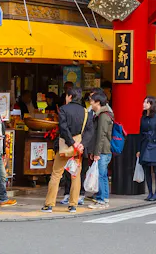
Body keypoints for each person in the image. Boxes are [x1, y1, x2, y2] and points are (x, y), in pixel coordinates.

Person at [43, 85, 91, 213]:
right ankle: (73, 204)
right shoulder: (86, 112)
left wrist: (71, 142)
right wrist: (81, 144)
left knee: (56, 174)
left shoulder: (63, 109)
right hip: (78, 148)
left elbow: (63, 128)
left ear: (69, 96)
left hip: (65, 146)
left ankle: (49, 204)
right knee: (76, 175)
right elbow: (89, 131)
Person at [88, 90, 114, 207]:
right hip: (102, 150)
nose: (90, 104)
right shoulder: (102, 114)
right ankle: (101, 198)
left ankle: (103, 199)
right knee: (101, 174)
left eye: (91, 101)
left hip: (103, 150)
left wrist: (97, 152)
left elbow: (101, 135)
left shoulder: (103, 116)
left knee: (102, 175)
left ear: (98, 102)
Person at [138, 96, 156, 201]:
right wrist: (138, 149)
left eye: (146, 102)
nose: (144, 104)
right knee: (146, 170)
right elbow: (140, 133)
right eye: (144, 102)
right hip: (145, 144)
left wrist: (154, 139)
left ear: (152, 104)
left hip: (154, 145)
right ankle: (150, 192)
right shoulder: (143, 117)